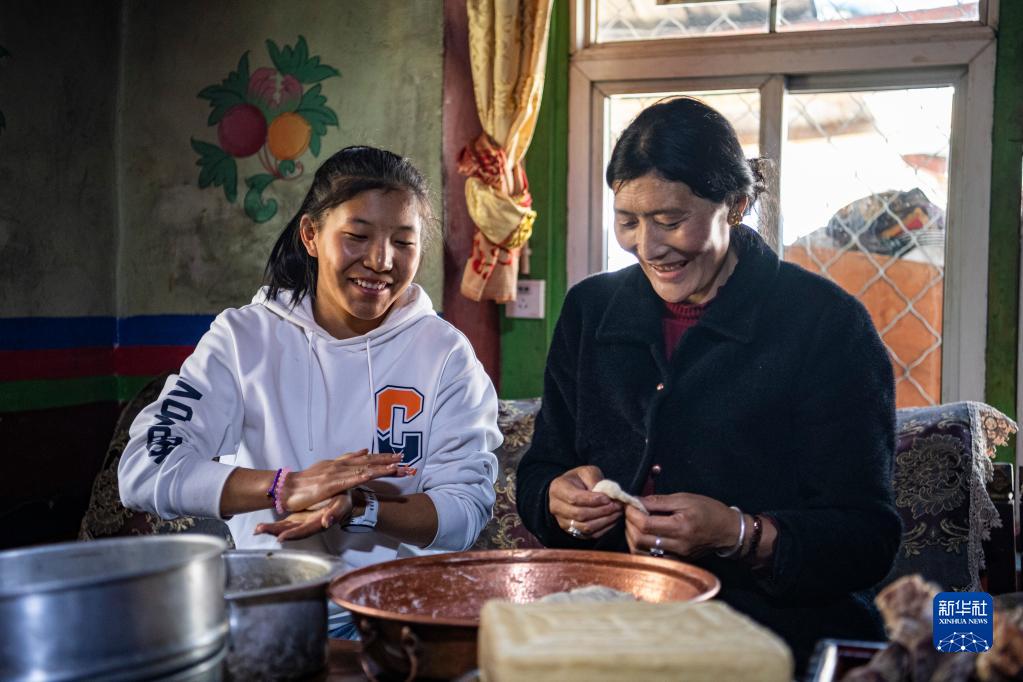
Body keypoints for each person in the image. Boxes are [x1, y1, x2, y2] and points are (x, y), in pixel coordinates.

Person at [515, 97, 901, 671]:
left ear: (736, 206)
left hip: (770, 635)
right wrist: (558, 499)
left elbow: (867, 538)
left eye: (671, 221)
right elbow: (541, 470)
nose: (648, 247)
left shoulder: (825, 324)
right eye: (628, 221)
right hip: (613, 621)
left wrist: (739, 534)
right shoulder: (590, 311)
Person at [120, 145, 501, 638]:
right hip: (272, 614)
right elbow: (144, 468)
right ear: (311, 235)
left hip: (398, 621)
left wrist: (361, 508)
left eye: (403, 242)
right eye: (358, 236)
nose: (381, 261)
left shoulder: (445, 354)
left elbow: (465, 511)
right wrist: (286, 486)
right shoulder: (244, 339)